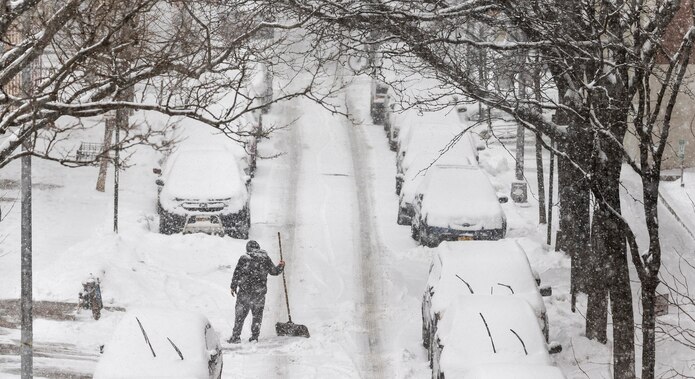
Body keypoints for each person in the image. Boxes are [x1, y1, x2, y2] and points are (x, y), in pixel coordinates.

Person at [229, 240, 285, 343]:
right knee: (257, 316)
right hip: (259, 293)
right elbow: (274, 271)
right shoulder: (265, 259)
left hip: (244, 292)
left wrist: (233, 286)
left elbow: (237, 273)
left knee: (240, 316)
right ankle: (254, 337)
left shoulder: (244, 258)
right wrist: (281, 266)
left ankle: (236, 337)